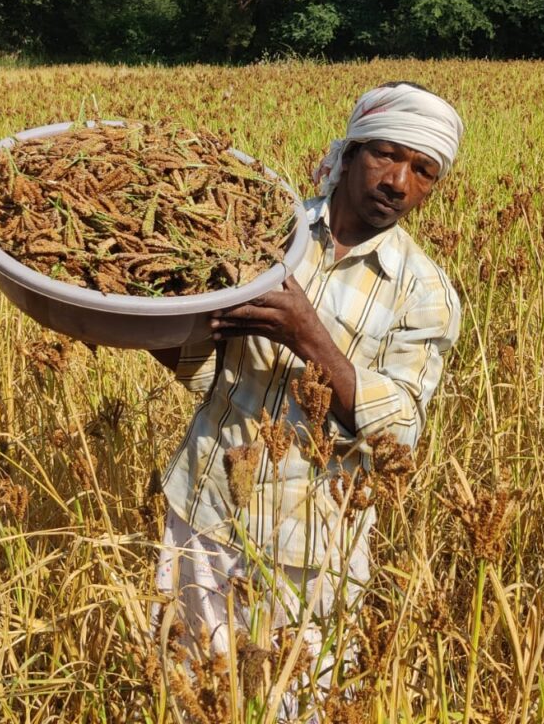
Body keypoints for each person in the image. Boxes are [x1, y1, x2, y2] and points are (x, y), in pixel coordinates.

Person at [148, 81, 463, 711]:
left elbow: (397, 436)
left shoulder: (423, 293)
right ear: (348, 154)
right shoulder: (264, 234)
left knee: (296, 707)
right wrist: (141, 323)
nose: (399, 181)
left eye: (422, 170)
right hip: (204, 516)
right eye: (385, 155)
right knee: (190, 698)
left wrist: (306, 334)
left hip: (312, 551)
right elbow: (208, 375)